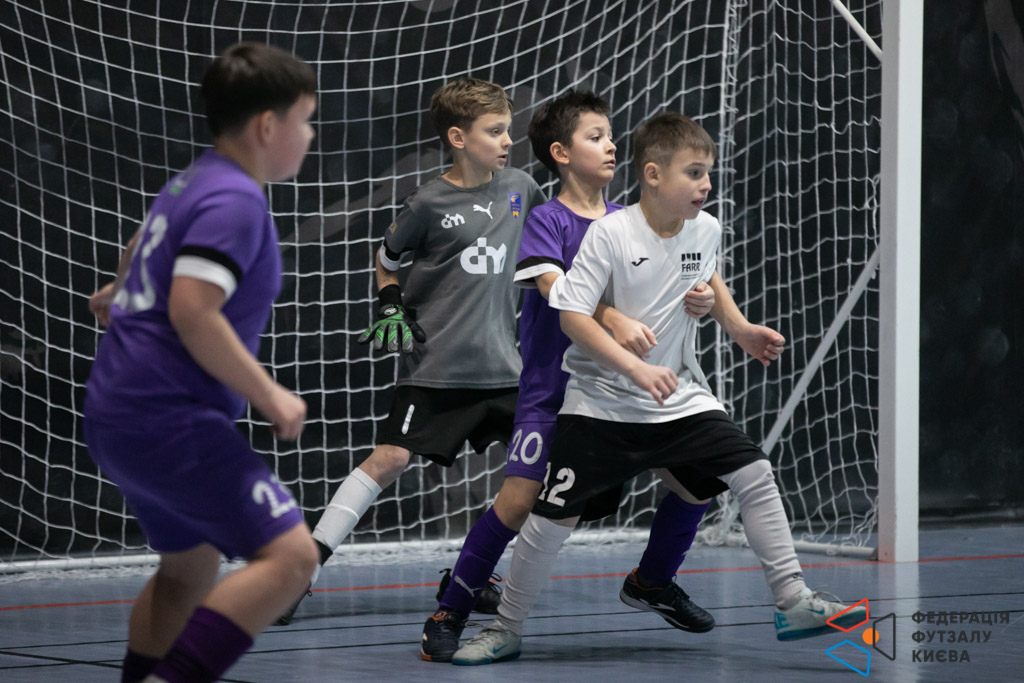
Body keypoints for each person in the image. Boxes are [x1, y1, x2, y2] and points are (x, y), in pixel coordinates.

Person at [452, 111, 865, 665]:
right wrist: (635, 367)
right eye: (694, 173)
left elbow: (704, 279)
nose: (706, 184)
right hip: (600, 403)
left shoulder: (706, 228)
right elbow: (572, 316)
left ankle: (791, 600)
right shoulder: (609, 233)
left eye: (708, 172)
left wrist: (738, 327)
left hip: (677, 400)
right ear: (652, 175)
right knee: (551, 519)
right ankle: (505, 627)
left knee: (754, 473)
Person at [422, 89, 724, 663]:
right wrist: (611, 316)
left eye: (611, 136)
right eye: (595, 137)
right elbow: (557, 290)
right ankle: (451, 610)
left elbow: (681, 280)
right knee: (517, 504)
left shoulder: (634, 221)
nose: (610, 145)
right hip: (554, 395)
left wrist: (704, 300)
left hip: (626, 392)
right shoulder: (547, 220)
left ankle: (653, 581)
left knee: (701, 481)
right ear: (560, 153)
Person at [83, 43, 319, 683]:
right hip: (167, 418)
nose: (310, 135)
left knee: (189, 568)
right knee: (293, 558)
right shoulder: (236, 200)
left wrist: (126, 285)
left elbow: (145, 239)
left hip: (115, 413)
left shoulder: (195, 179)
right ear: (267, 125)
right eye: (304, 120)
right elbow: (193, 310)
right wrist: (270, 395)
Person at [275, 77, 547, 628]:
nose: (507, 141)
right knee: (391, 458)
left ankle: (471, 573)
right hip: (436, 368)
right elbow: (387, 260)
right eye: (494, 131)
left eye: (507, 130)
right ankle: (300, 571)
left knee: (541, 474)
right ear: (458, 137)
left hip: (504, 370)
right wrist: (390, 304)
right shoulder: (427, 202)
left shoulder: (522, 187)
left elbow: (555, 246)